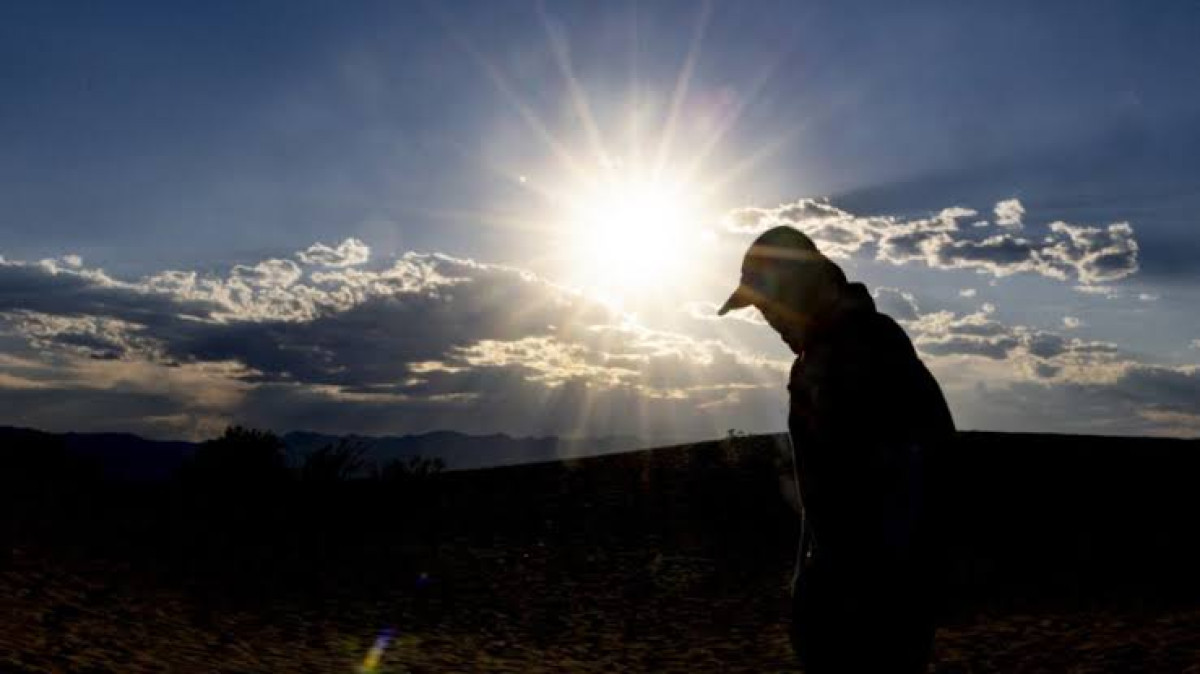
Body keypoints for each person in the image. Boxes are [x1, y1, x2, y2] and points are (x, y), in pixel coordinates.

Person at [718, 225, 955, 673]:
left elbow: (908, 489)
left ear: (804, 289)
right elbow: (826, 500)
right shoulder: (823, 357)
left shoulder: (862, 352)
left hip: (871, 621)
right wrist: (808, 590)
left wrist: (844, 602)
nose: (769, 322)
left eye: (771, 307)